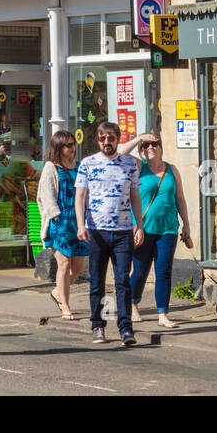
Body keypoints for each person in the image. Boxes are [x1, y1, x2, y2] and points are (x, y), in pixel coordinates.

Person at [74, 120, 143, 346]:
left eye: (111, 138)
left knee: (123, 280)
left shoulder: (129, 165)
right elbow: (80, 197)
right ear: (98, 139)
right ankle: (98, 326)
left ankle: (125, 328)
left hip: (123, 231)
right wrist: (81, 225)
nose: (106, 142)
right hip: (96, 231)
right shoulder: (87, 163)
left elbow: (135, 196)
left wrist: (139, 224)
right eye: (102, 138)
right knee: (97, 282)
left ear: (118, 139)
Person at [127, 134, 192, 329]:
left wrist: (186, 224)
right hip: (143, 228)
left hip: (168, 228)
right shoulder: (139, 167)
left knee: (163, 271)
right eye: (146, 145)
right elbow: (119, 153)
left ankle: (162, 314)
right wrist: (139, 138)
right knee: (140, 270)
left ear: (161, 147)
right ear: (141, 149)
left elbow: (180, 198)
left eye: (154, 144)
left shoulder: (171, 170)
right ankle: (132, 304)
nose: (150, 148)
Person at [35, 130, 88, 320]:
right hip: (61, 222)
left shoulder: (80, 167)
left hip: (80, 223)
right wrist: (56, 216)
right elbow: (46, 195)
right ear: (58, 147)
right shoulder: (51, 167)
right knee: (64, 265)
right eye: (68, 145)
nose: (73, 148)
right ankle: (65, 304)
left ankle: (57, 291)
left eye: (74, 144)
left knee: (78, 268)